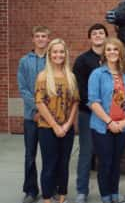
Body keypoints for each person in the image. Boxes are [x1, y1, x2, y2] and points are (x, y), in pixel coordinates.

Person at [88, 37, 125, 203]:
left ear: (120, 52)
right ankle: (105, 196)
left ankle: (114, 192)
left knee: (116, 162)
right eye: (108, 49)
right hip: (102, 126)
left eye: (115, 49)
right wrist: (109, 122)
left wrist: (124, 122)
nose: (112, 52)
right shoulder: (97, 74)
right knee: (106, 162)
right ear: (104, 53)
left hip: (123, 126)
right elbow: (94, 102)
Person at [35, 38, 79, 203]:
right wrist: (55, 126)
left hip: (66, 129)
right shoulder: (43, 76)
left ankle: (62, 198)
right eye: (55, 52)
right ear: (50, 54)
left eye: (61, 52)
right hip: (47, 128)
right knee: (49, 165)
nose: (58, 55)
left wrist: (67, 125)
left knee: (63, 165)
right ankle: (47, 199)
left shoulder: (71, 76)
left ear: (65, 54)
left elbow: (75, 101)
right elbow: (40, 103)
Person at [73, 23, 108, 203]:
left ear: (105, 36)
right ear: (90, 38)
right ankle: (82, 190)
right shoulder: (82, 60)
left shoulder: (112, 58)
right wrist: (96, 107)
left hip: (108, 116)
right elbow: (80, 90)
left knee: (106, 154)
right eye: (94, 33)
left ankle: (107, 192)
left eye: (101, 33)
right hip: (88, 113)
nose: (98, 35)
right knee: (86, 153)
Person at [17, 25, 50, 203]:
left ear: (48, 39)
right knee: (30, 155)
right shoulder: (24, 61)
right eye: (37, 36)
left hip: (49, 118)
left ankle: (48, 189)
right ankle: (30, 190)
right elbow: (23, 89)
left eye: (43, 36)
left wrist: (46, 112)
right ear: (33, 39)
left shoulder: (52, 60)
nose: (40, 39)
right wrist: (37, 109)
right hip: (31, 117)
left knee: (49, 155)